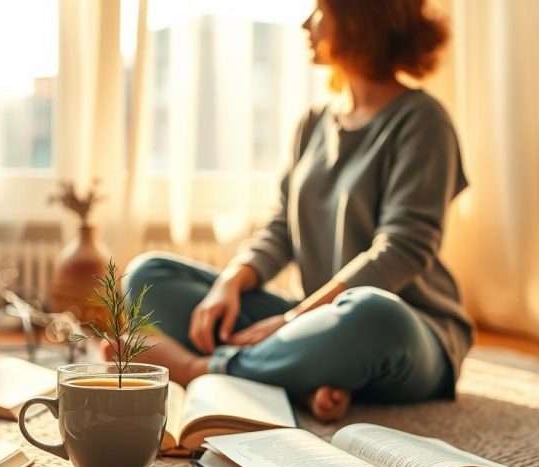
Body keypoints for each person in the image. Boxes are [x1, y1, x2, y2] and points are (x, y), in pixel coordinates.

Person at [116, 0, 473, 423]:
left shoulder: (422, 120)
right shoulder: (315, 122)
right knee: (148, 276)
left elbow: (403, 249)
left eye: (320, 11)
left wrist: (290, 321)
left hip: (406, 330)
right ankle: (300, 375)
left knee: (371, 313)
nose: (306, 23)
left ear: (361, 19)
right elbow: (284, 226)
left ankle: (204, 370)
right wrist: (232, 281)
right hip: (313, 319)